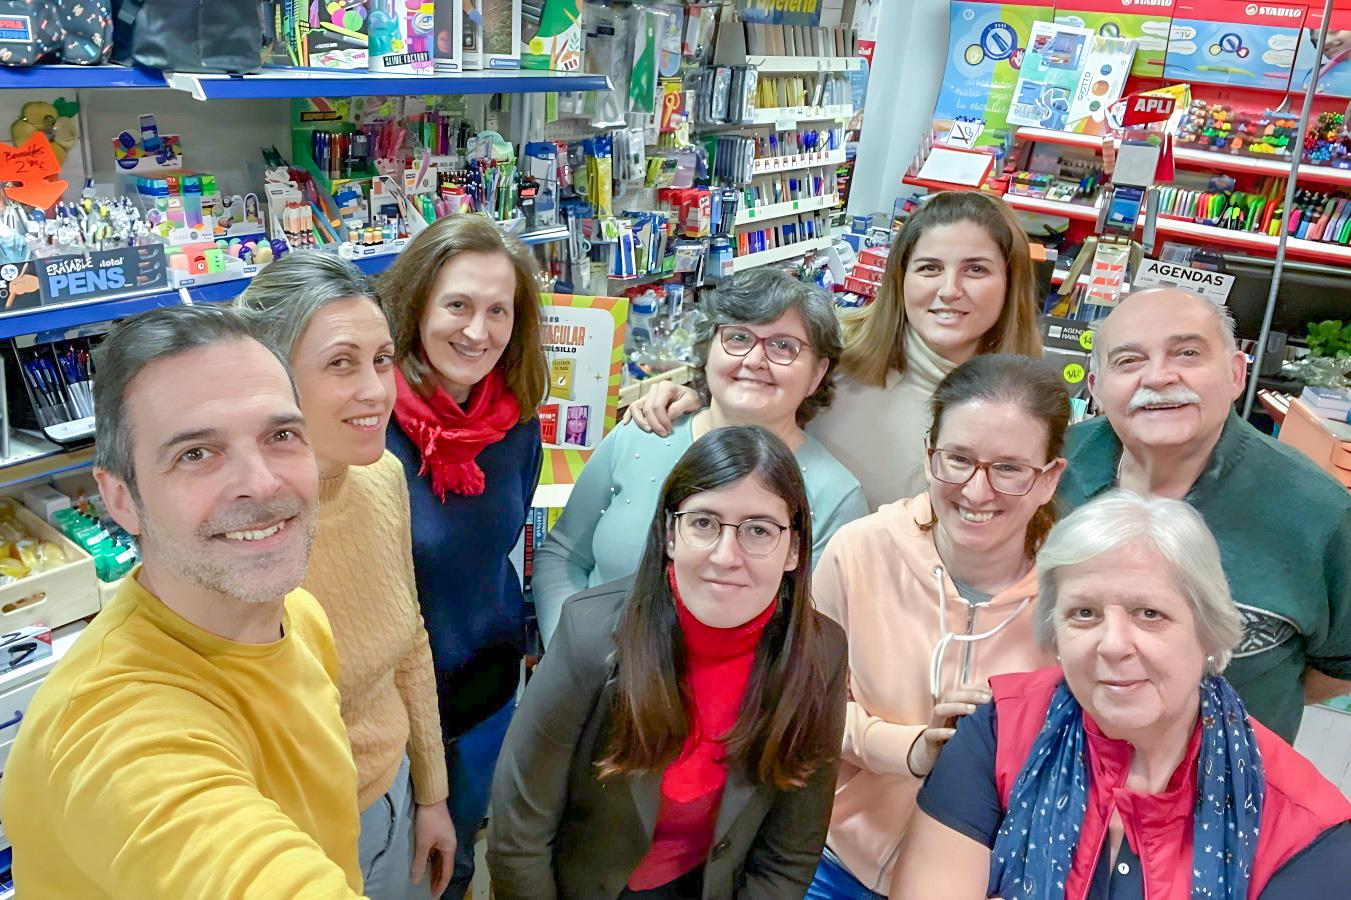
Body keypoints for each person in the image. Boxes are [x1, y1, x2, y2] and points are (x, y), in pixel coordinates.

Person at [0, 306, 364, 898]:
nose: (262, 482)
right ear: (121, 498)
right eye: (196, 453)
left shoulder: (298, 615)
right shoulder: (108, 730)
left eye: (280, 436)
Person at [893, 491, 1351, 899]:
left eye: (1149, 613)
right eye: (1083, 613)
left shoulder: (1307, 828)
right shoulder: (998, 732)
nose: (1112, 645)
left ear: (1209, 631)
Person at [487, 426, 848, 899]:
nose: (726, 555)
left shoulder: (820, 654)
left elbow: (789, 854)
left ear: (795, 550)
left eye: (759, 530)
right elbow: (518, 833)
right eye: (703, 523)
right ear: (671, 535)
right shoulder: (590, 633)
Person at [806, 354, 1068, 899]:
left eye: (1009, 469)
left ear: (1049, 479)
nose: (976, 491)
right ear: (929, 455)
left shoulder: (1076, 595)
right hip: (836, 865)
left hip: (984, 885)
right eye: (958, 459)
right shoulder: (860, 552)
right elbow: (807, 707)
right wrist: (910, 750)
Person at [237, 251, 455, 898]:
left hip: (395, 796)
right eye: (340, 363)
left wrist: (431, 794)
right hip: (294, 838)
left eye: (382, 359)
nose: (376, 391)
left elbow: (410, 641)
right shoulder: (237, 532)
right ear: (270, 374)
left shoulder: (381, 476)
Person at [1058, 287, 1351, 742]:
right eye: (1129, 360)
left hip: (1226, 777)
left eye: (1187, 353)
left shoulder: (1319, 515)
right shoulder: (1049, 471)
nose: (1158, 376)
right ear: (1096, 387)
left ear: (1235, 374)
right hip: (1054, 760)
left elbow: (1341, 666)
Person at [625, 191, 1043, 509]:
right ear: (900, 278)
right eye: (929, 268)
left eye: (976, 269)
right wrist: (695, 397)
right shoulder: (837, 348)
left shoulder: (1023, 406)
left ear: (1010, 283)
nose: (949, 290)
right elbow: (751, 384)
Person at [532, 267, 868, 647]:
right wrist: (569, 651)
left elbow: (808, 635)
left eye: (783, 346)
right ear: (708, 351)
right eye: (738, 337)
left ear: (817, 373)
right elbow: (562, 554)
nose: (755, 359)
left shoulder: (834, 494)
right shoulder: (642, 433)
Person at [378, 212, 547, 899]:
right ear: (416, 304)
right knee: (390, 876)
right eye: (457, 305)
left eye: (497, 310)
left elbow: (500, 537)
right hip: (387, 717)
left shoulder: (516, 425)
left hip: (485, 695)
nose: (478, 331)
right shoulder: (366, 427)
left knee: (458, 868)